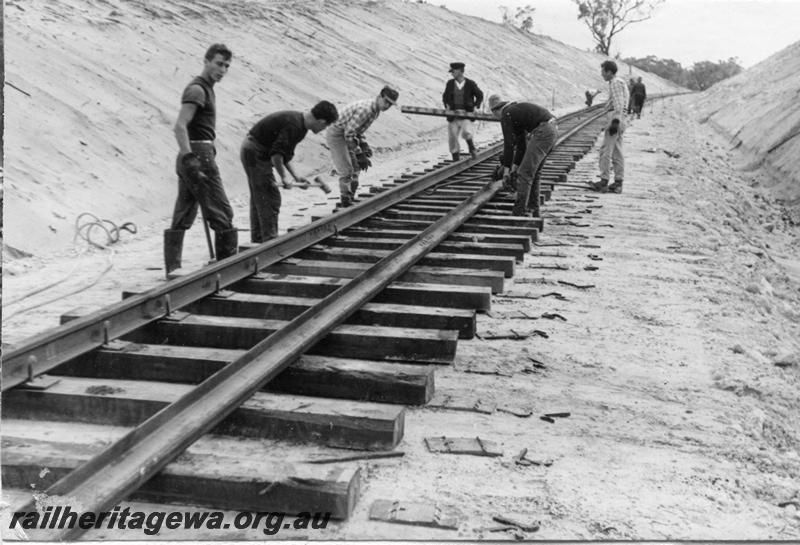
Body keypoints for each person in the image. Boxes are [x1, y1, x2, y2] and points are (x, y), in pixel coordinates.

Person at [165, 43, 238, 275]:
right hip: (198, 155)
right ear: (206, 61)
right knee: (222, 212)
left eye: (226, 66)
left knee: (184, 211)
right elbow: (180, 126)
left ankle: (173, 269)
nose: (222, 70)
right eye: (218, 64)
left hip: (198, 154)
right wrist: (190, 158)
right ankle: (227, 271)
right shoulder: (197, 90)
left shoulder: (207, 88)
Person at [240, 101, 338, 242]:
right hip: (254, 152)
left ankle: (259, 241)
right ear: (321, 122)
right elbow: (276, 156)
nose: (324, 129)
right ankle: (269, 241)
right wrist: (284, 177)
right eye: (326, 126)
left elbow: (284, 155)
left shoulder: (300, 125)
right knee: (270, 197)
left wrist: (296, 177)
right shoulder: (295, 126)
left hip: (253, 149)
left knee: (260, 197)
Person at [326, 86, 399, 207]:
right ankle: (345, 199)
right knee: (347, 168)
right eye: (386, 101)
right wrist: (359, 154)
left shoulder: (375, 110)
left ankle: (350, 197)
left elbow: (358, 131)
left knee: (356, 168)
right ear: (380, 96)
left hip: (346, 133)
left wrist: (364, 145)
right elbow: (348, 134)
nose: (387, 106)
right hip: (337, 133)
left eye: (390, 105)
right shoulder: (366, 109)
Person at [488, 94, 558, 217]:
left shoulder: (506, 114)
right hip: (551, 129)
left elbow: (508, 145)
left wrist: (506, 171)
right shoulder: (514, 111)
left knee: (525, 173)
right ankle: (533, 209)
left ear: (495, 111)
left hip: (543, 132)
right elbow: (521, 145)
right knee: (534, 172)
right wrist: (514, 167)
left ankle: (519, 212)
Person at [591, 60, 630, 194]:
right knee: (617, 151)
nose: (602, 74)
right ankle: (618, 183)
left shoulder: (615, 83)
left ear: (609, 72)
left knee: (605, 150)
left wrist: (615, 121)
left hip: (615, 116)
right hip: (620, 117)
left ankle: (604, 180)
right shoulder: (619, 82)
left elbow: (619, 103)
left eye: (603, 71)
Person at [442, 62, 484, 160]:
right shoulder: (450, 83)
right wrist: (447, 106)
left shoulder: (470, 84)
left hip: (467, 114)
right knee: (452, 137)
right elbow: (445, 97)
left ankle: (471, 146)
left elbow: (479, 95)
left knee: (466, 132)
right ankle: (455, 158)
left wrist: (476, 106)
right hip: (453, 114)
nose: (452, 73)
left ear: (460, 71)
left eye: (453, 71)